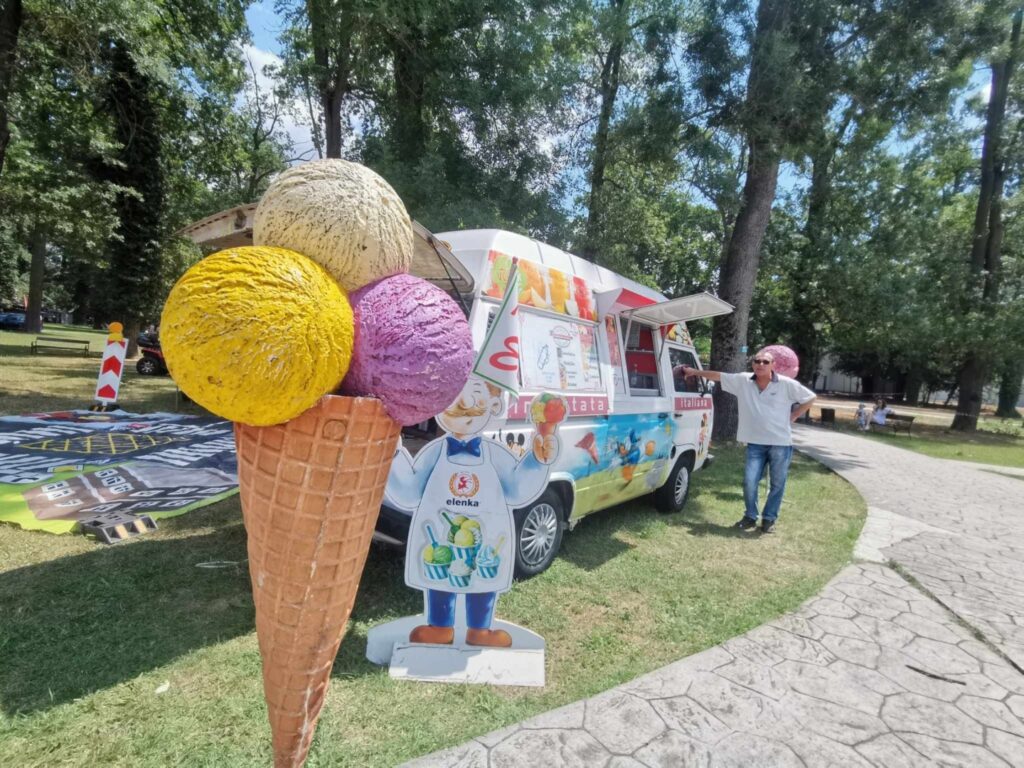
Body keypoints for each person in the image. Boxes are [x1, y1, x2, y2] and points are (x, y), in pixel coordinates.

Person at [681, 350, 816, 534]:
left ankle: (769, 519)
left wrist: (794, 415)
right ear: (752, 364)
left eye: (765, 362)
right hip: (755, 443)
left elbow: (810, 398)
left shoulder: (786, 384)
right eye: (757, 361)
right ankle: (750, 516)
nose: (760, 364)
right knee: (749, 481)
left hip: (780, 442)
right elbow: (719, 376)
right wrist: (695, 372)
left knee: (778, 483)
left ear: (773, 365)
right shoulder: (743, 381)